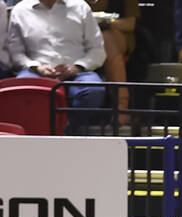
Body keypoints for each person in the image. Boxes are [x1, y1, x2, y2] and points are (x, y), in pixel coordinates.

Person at [8, 0, 107, 132]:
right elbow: (16, 53)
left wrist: (77, 67)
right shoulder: (20, 10)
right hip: (35, 72)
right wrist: (36, 67)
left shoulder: (80, 7)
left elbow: (97, 50)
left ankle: (65, 132)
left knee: (94, 90)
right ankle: (39, 132)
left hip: (77, 72)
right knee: (21, 89)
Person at [84, 0, 137, 123]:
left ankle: (121, 106)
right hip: (82, 36)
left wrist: (107, 22)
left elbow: (130, 24)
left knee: (107, 41)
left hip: (115, 36)